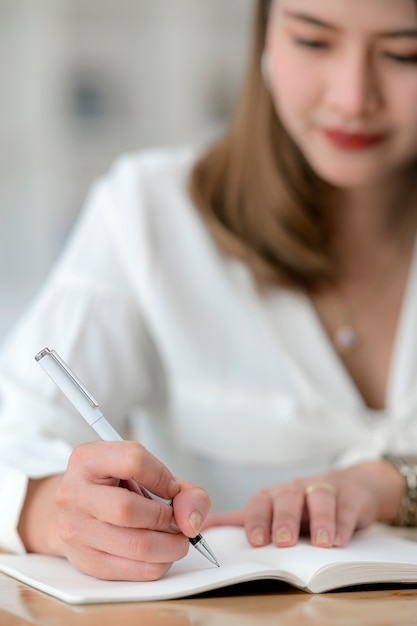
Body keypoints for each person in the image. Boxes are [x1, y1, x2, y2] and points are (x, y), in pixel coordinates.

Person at [1, 0, 417, 582]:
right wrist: (52, 510)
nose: (352, 97)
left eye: (404, 53)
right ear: (265, 39)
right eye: (313, 42)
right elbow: (11, 434)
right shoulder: (149, 212)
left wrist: (393, 484)